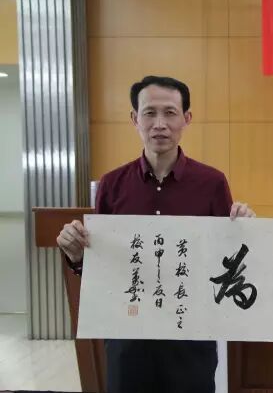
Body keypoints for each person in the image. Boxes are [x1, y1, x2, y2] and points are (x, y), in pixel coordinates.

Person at [56, 75, 255, 393]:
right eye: (149, 113)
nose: (159, 124)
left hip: (190, 338)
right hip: (127, 338)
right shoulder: (112, 184)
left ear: (186, 118)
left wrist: (244, 229)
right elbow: (103, 265)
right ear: (135, 119)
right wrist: (78, 255)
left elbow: (227, 260)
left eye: (170, 113)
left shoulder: (212, 183)